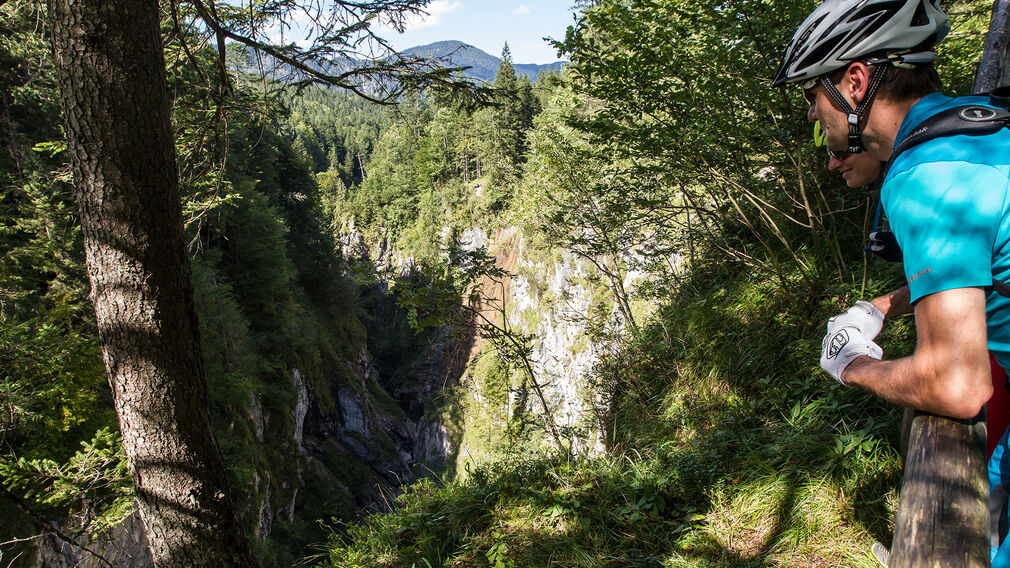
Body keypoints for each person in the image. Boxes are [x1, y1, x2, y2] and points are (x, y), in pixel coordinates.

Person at [774, 0, 1010, 563]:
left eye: (812, 96)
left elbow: (956, 385)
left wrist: (850, 363)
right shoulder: (975, 127)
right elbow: (987, 260)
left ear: (855, 82)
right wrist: (884, 305)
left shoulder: (926, 178)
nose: (812, 117)